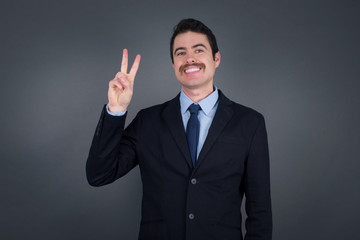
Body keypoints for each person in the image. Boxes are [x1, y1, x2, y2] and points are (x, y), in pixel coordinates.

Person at [86, 18, 272, 240]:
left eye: (199, 50)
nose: (189, 58)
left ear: (217, 58)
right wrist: (116, 110)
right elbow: (99, 174)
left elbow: (259, 212)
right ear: (173, 63)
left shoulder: (250, 123)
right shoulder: (148, 121)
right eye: (180, 52)